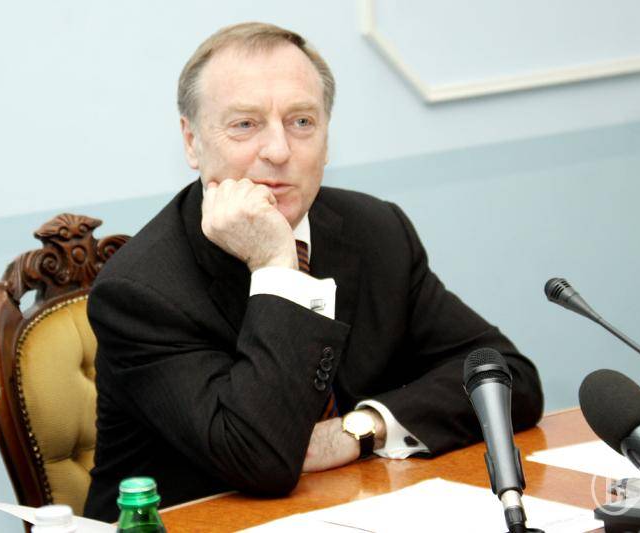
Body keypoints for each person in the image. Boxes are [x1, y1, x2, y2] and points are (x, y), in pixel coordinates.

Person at [83, 22, 543, 521]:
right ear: (192, 142)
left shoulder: (376, 229)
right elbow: (260, 458)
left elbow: (507, 378)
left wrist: (361, 429)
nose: (279, 150)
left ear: (327, 139)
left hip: (351, 507)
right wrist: (275, 266)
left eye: (301, 121)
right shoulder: (141, 291)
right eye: (245, 124)